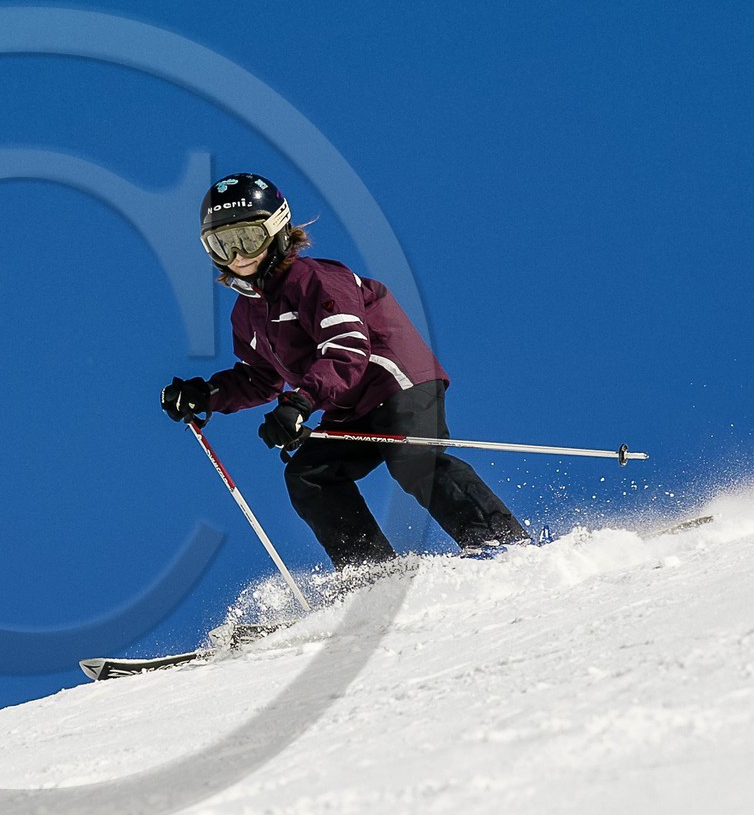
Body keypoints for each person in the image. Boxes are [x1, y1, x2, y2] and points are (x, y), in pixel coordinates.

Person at [161, 173, 528, 569]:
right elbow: (260, 378)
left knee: (411, 458)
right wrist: (208, 395)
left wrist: (300, 402)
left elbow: (346, 349)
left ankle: (501, 543)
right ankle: (371, 574)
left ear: (278, 230)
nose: (238, 255)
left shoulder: (316, 279)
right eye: (223, 244)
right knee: (309, 474)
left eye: (248, 238)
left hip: (394, 379)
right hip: (346, 402)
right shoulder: (247, 315)